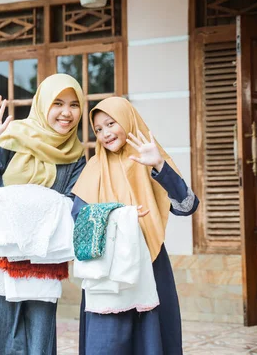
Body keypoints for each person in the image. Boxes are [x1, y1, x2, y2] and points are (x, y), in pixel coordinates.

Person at [0, 73, 87, 355]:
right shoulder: (13, 136)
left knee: (38, 339)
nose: (66, 112)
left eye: (73, 104)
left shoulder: (76, 154)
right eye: (57, 103)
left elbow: (71, 203)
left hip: (43, 258)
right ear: (43, 104)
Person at [71, 96, 199, 355]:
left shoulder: (149, 158)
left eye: (111, 123)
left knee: (152, 338)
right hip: (107, 267)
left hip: (150, 262)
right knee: (107, 341)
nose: (105, 133)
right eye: (98, 129)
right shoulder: (94, 167)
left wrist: (160, 165)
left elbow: (187, 206)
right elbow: (79, 217)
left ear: (127, 120)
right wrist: (121, 216)